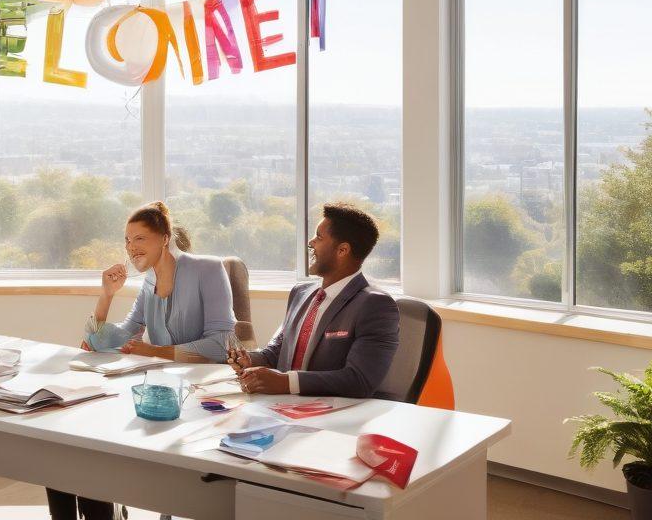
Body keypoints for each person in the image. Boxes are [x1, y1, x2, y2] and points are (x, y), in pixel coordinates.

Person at [46, 202, 234, 520]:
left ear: (164, 237)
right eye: (127, 241)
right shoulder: (149, 283)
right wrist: (107, 295)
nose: (131, 248)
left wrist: (157, 352)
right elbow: (103, 342)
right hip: (163, 389)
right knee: (70, 436)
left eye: (140, 238)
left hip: (205, 393)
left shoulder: (208, 269)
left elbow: (221, 345)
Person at [228, 203, 399, 399]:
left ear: (342, 250)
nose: (311, 242)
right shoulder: (300, 293)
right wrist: (249, 360)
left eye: (319, 237)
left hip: (330, 416)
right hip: (279, 407)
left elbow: (359, 380)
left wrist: (287, 382)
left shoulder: (375, 306)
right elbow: (275, 353)